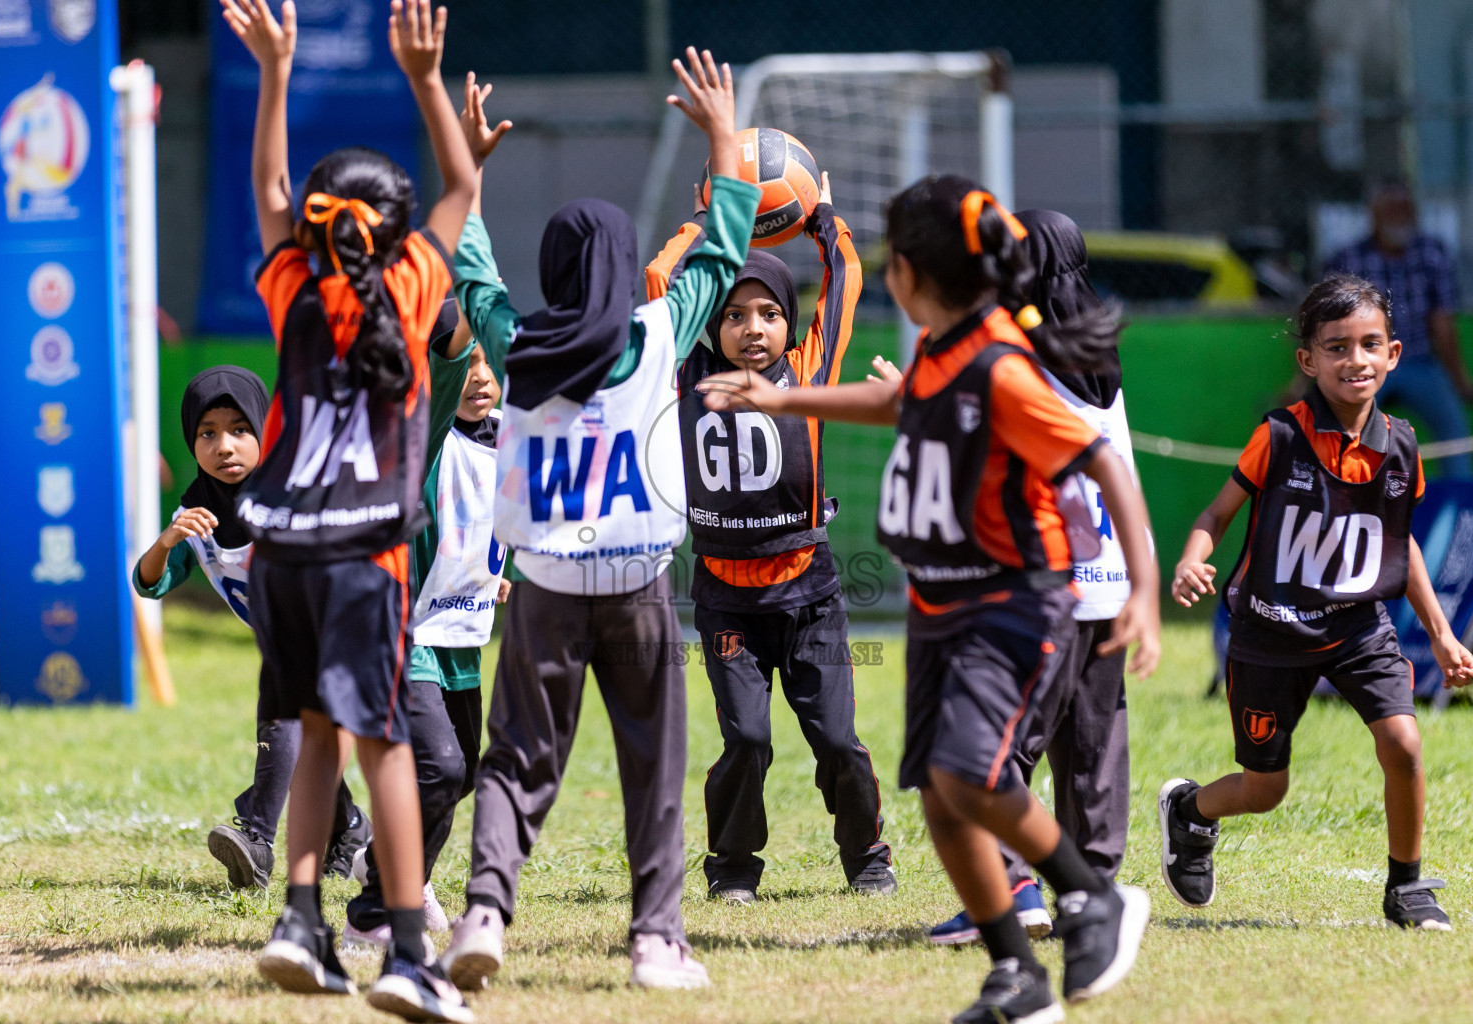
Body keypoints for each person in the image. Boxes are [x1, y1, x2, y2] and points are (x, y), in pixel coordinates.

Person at [700, 175, 1161, 1024]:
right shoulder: (947, 349)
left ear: (909, 272)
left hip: (1009, 604)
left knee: (969, 776)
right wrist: (783, 396)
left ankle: (1092, 896)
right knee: (941, 794)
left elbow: (1101, 462)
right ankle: (1015, 974)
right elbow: (896, 400)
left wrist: (1146, 590)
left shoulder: (999, 362)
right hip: (942, 609)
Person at [434, 49, 756, 992]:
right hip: (639, 586)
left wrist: (473, 169)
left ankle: (485, 910)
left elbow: (471, 264)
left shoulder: (516, 342)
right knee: (653, 767)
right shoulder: (661, 333)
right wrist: (723, 137)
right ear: (622, 265)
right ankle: (657, 940)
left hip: (540, 589)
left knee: (516, 760)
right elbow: (724, 248)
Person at [220, 0, 477, 1020]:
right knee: (387, 747)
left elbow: (272, 189)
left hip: (278, 547)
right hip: (362, 551)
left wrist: (276, 72)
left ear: (322, 232)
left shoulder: (292, 288)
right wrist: (426, 81)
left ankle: (300, 922)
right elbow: (463, 184)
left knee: (319, 733)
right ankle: (411, 952)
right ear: (395, 232)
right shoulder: (411, 289)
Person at [1164, 274, 1473, 932]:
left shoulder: (1402, 444)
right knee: (1263, 789)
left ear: (1393, 354)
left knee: (1404, 743)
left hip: (1360, 628)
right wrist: (1194, 557)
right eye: (1336, 347)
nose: (1355, 360)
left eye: (1369, 345)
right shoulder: (1279, 436)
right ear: (1307, 361)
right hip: (1270, 632)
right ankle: (1190, 813)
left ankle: (1407, 888)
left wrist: (1444, 634)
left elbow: (1402, 545)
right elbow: (1217, 513)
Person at [643, 175, 893, 904]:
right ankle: (733, 868)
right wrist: (708, 214)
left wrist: (821, 213)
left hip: (811, 594)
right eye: (735, 315)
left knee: (838, 740)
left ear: (790, 325)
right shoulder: (685, 373)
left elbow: (843, 274)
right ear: (710, 327)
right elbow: (663, 277)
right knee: (747, 740)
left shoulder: (809, 372)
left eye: (769, 314)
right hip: (727, 601)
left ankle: (866, 856)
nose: (753, 328)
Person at [928, 209, 1143, 946]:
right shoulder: (1096, 353)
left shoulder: (1013, 357)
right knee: (1093, 744)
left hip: (1043, 583)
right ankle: (1093, 887)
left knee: (997, 742)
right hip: (1109, 580)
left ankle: (1014, 885)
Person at [133, 366, 371, 891]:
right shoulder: (194, 516)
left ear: (267, 430)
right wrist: (166, 541)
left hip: (335, 629)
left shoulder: (293, 493)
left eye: (241, 429)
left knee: (285, 714)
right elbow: (148, 584)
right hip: (288, 637)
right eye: (208, 432)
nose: (225, 446)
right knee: (310, 740)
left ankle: (257, 840)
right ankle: (350, 829)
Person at [346, 323, 510, 945]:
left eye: (491, 365)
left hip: (459, 632)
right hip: (402, 631)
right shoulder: (425, 435)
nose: (481, 378)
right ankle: (375, 907)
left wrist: (499, 573)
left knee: (462, 771)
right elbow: (445, 357)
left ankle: (396, 874)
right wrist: (465, 277)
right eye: (469, 365)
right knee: (439, 768)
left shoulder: (503, 441)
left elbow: (488, 522)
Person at [1326, 180, 1473, 476]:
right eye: (1391, 210)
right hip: (1365, 365)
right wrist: (1308, 382)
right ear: (1374, 215)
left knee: (1454, 429)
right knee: (1342, 428)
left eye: (1406, 210)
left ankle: (1459, 503)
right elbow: (1325, 323)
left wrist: (1459, 380)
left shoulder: (1432, 254)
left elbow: (1443, 323)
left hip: (1419, 362)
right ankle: (1341, 497)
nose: (1400, 217)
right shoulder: (1350, 259)